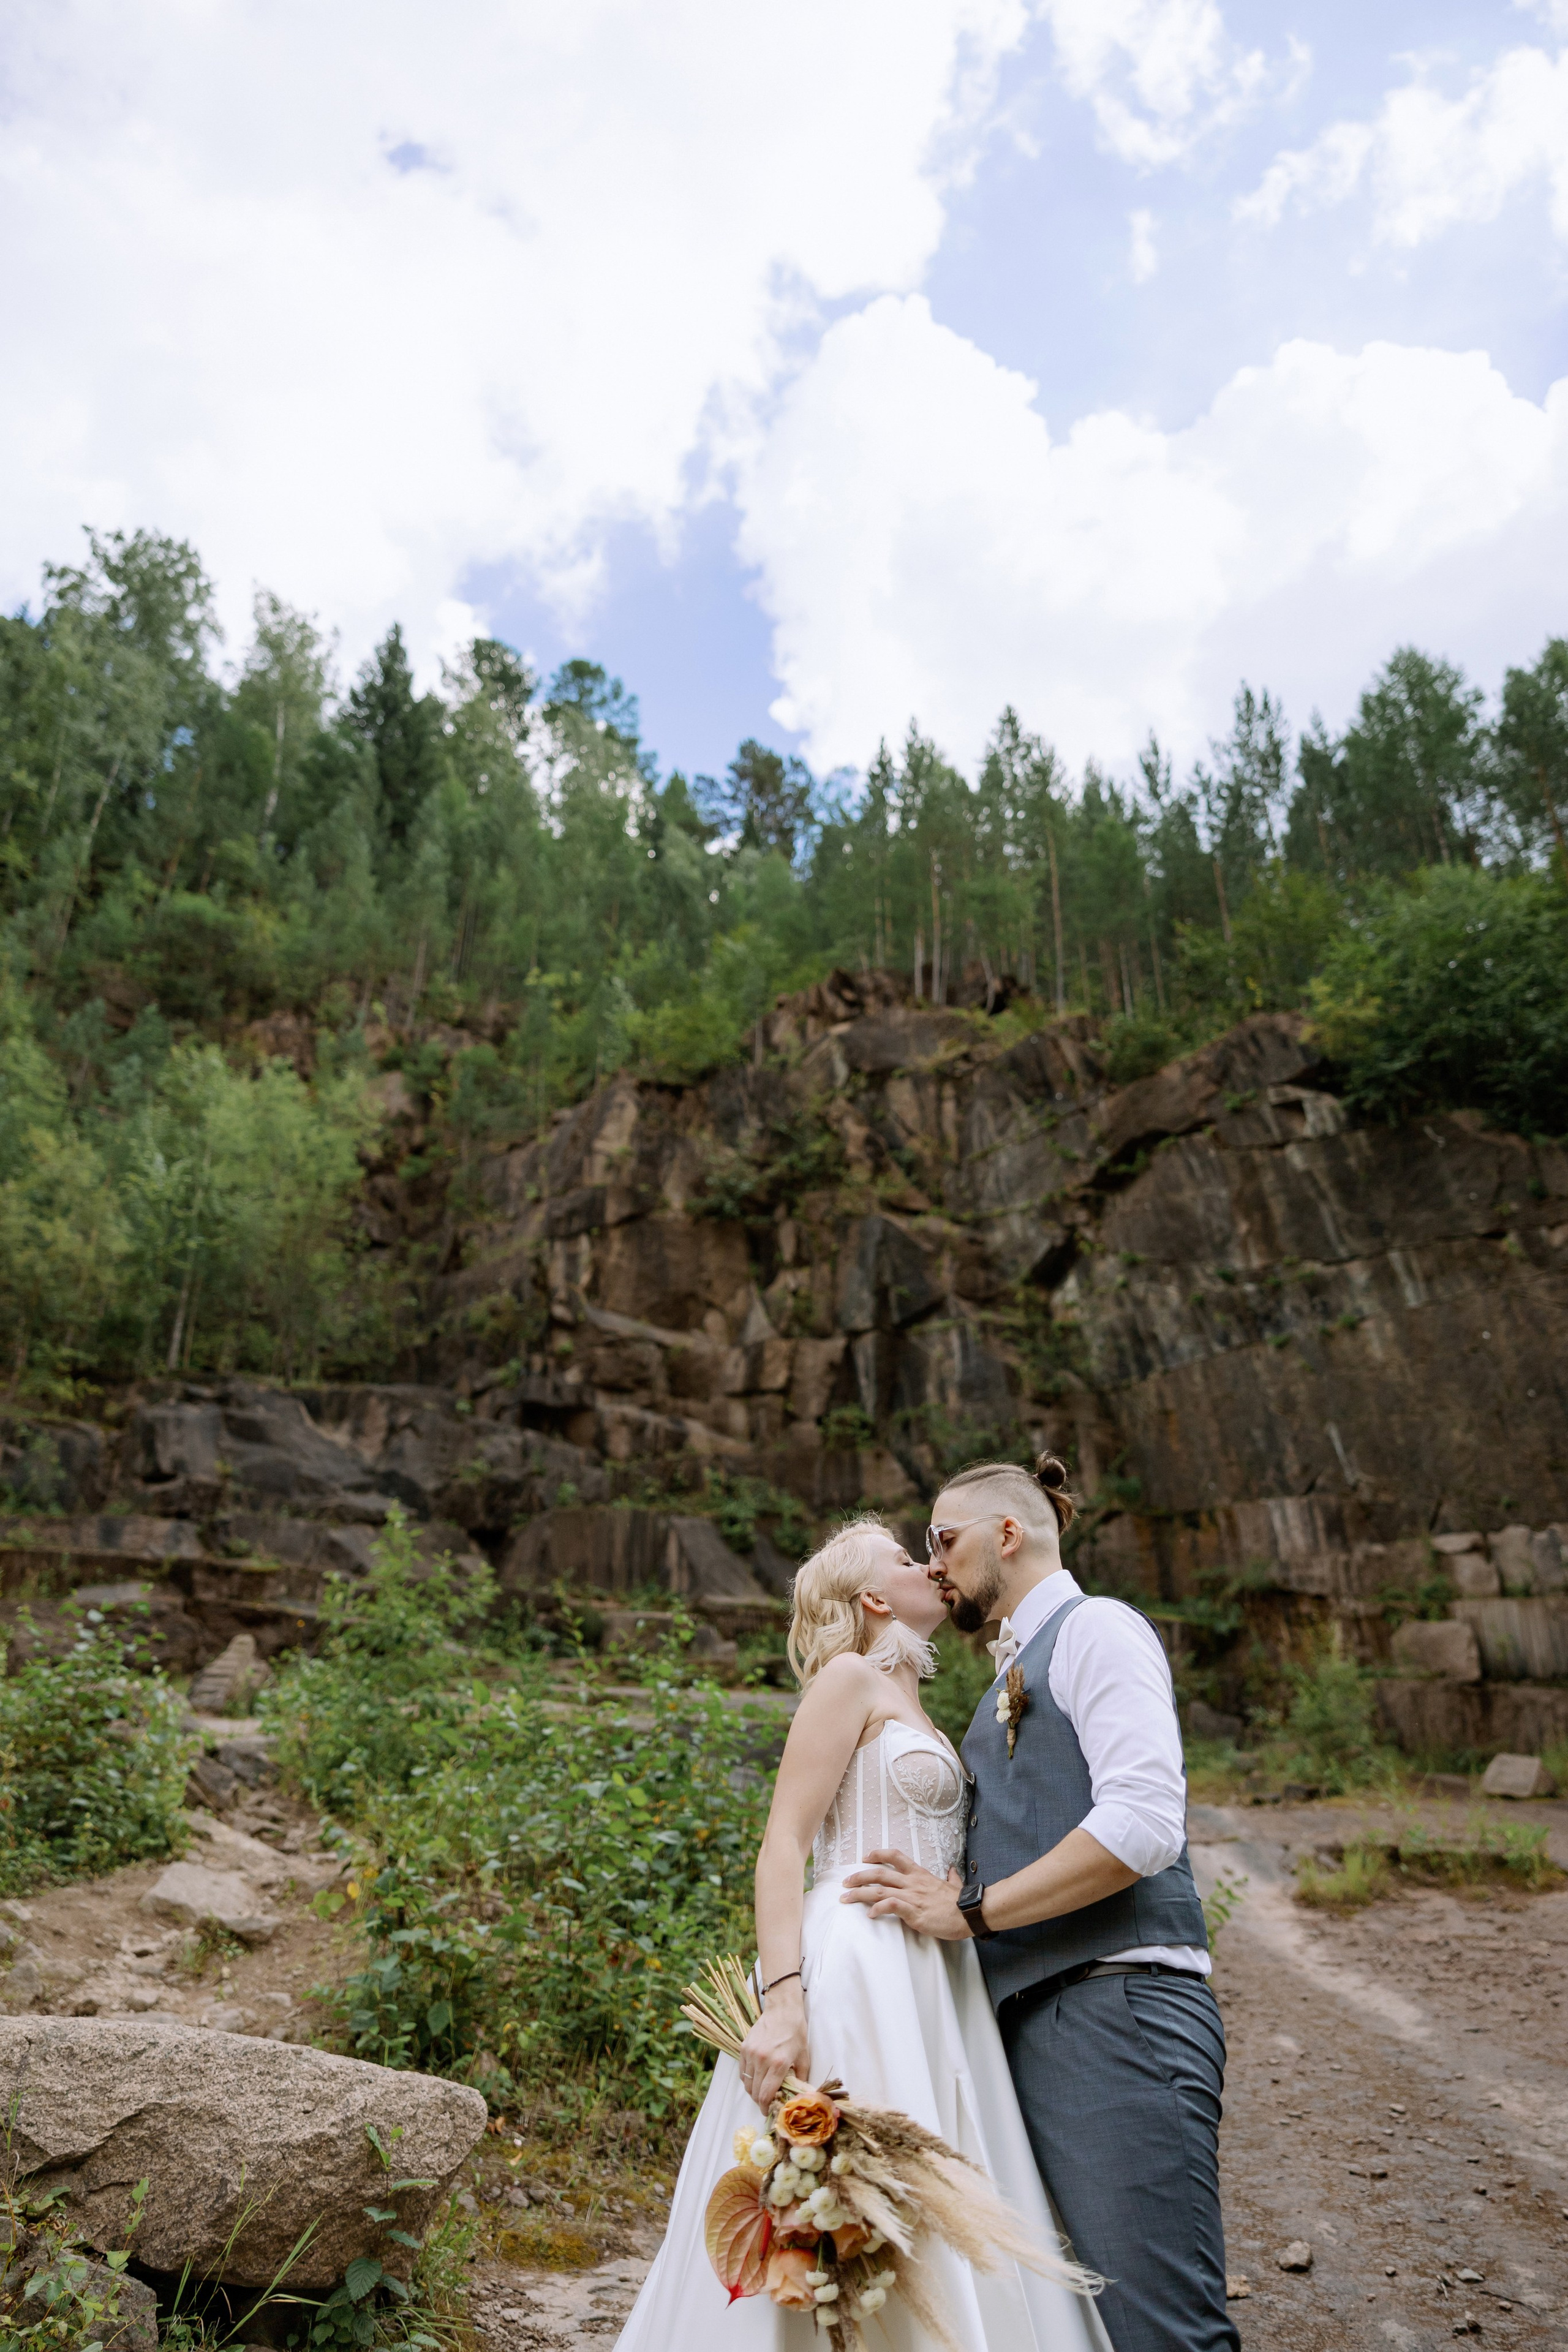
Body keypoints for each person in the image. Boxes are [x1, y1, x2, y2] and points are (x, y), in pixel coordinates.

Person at [614, 1514, 1105, 2351]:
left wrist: (952, 1886)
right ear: (875, 1596)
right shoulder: (846, 1680)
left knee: (919, 2198)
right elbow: (783, 1847)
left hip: (932, 1974)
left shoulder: (917, 1699)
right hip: (855, 1962)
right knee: (830, 2201)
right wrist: (782, 2002)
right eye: (912, 1560)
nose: (935, 1567)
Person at [840, 1456, 1240, 2352]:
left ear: (1007, 1534)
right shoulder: (1000, 1681)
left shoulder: (1100, 1629)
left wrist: (970, 1914)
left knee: (1159, 2330)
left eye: (943, 1539)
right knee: (1079, 2326)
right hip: (1039, 2026)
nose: (934, 1563)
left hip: (1116, 2012)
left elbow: (1143, 1826)